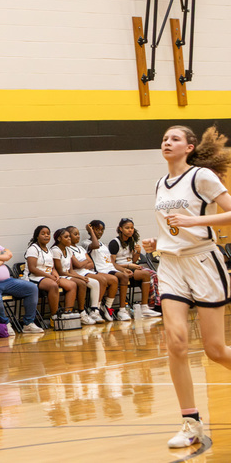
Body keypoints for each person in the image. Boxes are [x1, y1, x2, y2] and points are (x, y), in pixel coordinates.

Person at [146, 125, 231, 448]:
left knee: (215, 350)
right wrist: (159, 240)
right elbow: (172, 226)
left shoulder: (201, 178)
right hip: (170, 264)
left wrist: (196, 222)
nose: (167, 142)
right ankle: (190, 422)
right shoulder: (159, 183)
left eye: (175, 139)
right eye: (165, 138)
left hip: (203, 263)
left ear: (190, 147)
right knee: (176, 342)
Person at [24, 225, 76, 323]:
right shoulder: (33, 249)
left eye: (48, 233)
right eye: (43, 234)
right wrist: (50, 276)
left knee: (72, 285)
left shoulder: (49, 250)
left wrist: (55, 274)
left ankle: (67, 314)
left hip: (49, 276)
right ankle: (54, 316)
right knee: (53, 285)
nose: (46, 235)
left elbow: (52, 267)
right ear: (37, 236)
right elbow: (33, 268)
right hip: (35, 277)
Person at [110, 218, 162, 318]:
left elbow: (133, 260)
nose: (130, 230)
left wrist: (137, 252)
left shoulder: (132, 241)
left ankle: (148, 306)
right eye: (127, 228)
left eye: (132, 228)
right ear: (120, 229)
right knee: (146, 274)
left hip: (131, 267)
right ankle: (145, 306)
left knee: (153, 274)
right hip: (119, 268)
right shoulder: (115, 243)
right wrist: (127, 267)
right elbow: (112, 264)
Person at [69, 225, 117, 322]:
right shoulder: (68, 249)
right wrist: (83, 263)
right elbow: (77, 265)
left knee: (113, 279)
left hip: (86, 270)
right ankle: (94, 309)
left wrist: (82, 264)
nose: (78, 236)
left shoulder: (80, 249)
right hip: (78, 273)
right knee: (101, 280)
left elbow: (91, 263)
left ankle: (102, 308)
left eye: (78, 234)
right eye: (75, 234)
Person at [86, 220, 132, 321]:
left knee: (124, 276)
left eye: (102, 230)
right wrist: (90, 231)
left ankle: (120, 309)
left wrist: (123, 269)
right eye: (97, 229)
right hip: (99, 271)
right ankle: (98, 308)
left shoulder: (103, 244)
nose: (100, 232)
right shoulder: (87, 243)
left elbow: (112, 262)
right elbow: (95, 245)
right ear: (91, 229)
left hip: (109, 268)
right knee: (114, 279)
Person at [49, 227, 94, 325]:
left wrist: (80, 277)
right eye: (66, 237)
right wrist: (80, 277)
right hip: (58, 276)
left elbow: (71, 270)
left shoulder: (68, 250)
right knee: (79, 283)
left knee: (82, 283)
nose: (69, 238)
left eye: (69, 236)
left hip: (67, 275)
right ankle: (68, 313)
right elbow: (60, 271)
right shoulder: (55, 250)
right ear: (59, 239)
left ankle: (81, 312)